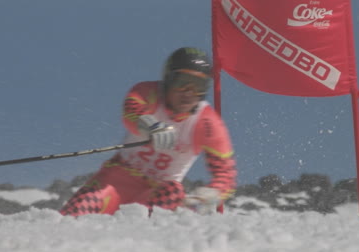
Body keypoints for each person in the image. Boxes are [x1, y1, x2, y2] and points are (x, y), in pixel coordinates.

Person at [60, 47, 237, 216]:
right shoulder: (149, 93)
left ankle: (139, 234)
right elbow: (131, 110)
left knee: (174, 190)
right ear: (168, 80)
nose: (189, 93)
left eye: (199, 85)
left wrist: (211, 194)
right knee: (72, 217)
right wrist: (150, 126)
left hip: (157, 193)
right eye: (182, 83)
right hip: (116, 180)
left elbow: (225, 174)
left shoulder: (207, 123)